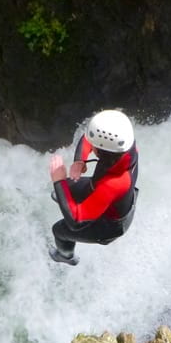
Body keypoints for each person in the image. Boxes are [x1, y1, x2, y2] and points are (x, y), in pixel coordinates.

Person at [48, 109, 139, 265]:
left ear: (100, 152)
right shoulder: (124, 146)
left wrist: (59, 181)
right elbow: (87, 140)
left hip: (109, 225)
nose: (91, 145)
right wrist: (79, 161)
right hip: (103, 192)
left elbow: (76, 222)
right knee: (60, 193)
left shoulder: (114, 183)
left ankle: (66, 256)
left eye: (94, 146)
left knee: (59, 229)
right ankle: (69, 201)